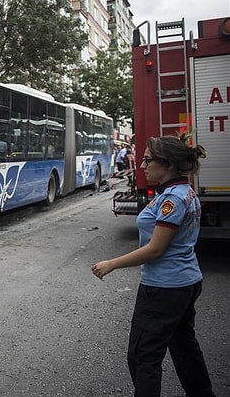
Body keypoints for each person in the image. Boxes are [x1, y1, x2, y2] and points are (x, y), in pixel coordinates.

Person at [91, 133, 215, 397]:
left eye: (148, 160)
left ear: (168, 164)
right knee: (184, 347)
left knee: (143, 356)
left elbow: (156, 249)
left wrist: (111, 263)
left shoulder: (173, 199)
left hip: (164, 289)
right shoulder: (180, 192)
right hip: (184, 282)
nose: (142, 166)